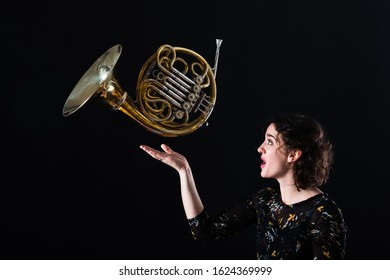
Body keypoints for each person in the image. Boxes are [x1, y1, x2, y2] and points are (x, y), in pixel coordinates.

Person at [140, 113, 348, 260]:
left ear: (293, 154)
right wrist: (184, 170)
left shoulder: (323, 214)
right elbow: (204, 230)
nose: (259, 148)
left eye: (269, 142)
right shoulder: (265, 201)